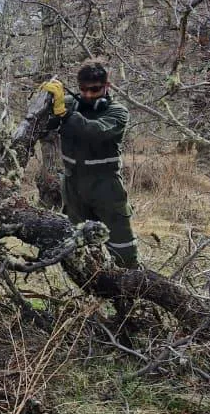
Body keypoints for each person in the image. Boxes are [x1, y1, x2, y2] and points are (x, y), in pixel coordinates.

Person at [40, 59, 139, 269]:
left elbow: (94, 131)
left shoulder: (118, 112)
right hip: (72, 185)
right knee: (77, 244)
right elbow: (44, 125)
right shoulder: (67, 104)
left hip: (106, 186)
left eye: (94, 90)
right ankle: (90, 289)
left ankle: (131, 291)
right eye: (83, 89)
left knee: (122, 246)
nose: (88, 95)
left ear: (106, 87)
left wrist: (64, 115)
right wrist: (45, 101)